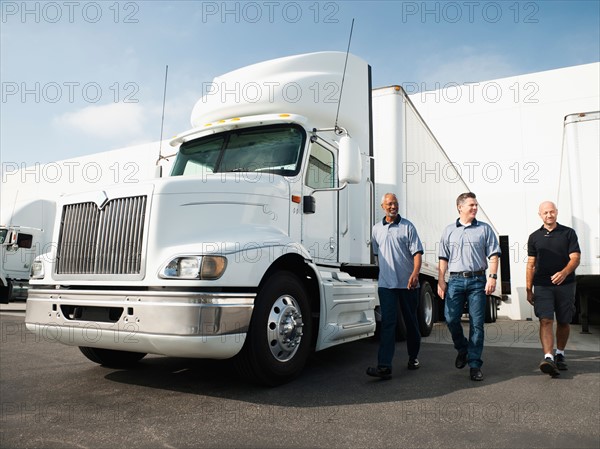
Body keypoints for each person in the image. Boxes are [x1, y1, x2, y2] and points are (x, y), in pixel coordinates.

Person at [437, 192, 500, 382]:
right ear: (460, 207)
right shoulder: (449, 230)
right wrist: (441, 280)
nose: (475, 208)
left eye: (476, 205)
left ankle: (474, 364)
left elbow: (494, 255)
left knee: (476, 324)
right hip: (455, 280)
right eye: (471, 205)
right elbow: (443, 258)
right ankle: (463, 348)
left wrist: (492, 277)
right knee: (450, 318)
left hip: (477, 281)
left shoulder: (484, 229)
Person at [367, 193, 424, 380]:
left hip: (408, 285)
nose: (393, 206)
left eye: (396, 203)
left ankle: (413, 357)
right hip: (386, 285)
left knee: (411, 322)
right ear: (383, 206)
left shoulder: (407, 227)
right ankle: (384, 366)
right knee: (388, 325)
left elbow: (417, 253)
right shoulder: (376, 229)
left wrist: (415, 274)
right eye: (390, 204)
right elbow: (378, 256)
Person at [526, 201, 580, 377]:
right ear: (540, 215)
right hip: (542, 285)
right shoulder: (534, 237)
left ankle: (560, 354)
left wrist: (564, 272)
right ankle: (548, 357)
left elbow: (575, 258)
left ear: (556, 212)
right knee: (545, 320)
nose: (549, 215)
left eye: (552, 212)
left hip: (565, 285)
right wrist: (528, 288)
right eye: (545, 213)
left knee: (564, 321)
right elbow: (531, 264)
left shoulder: (568, 233)